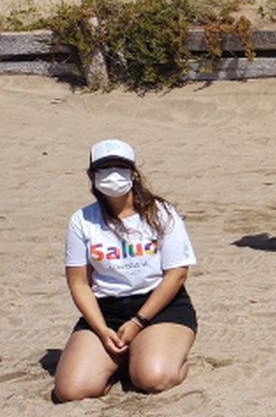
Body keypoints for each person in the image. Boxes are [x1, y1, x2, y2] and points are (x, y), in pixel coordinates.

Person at [54, 140, 198, 402]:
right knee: (71, 391)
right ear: (92, 176)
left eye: (119, 167)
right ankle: (122, 357)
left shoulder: (162, 213)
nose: (111, 175)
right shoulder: (82, 220)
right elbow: (79, 283)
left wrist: (138, 322)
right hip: (106, 310)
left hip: (159, 306)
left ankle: (153, 351)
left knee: (152, 378)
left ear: (133, 172)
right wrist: (100, 328)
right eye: (103, 169)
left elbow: (177, 273)